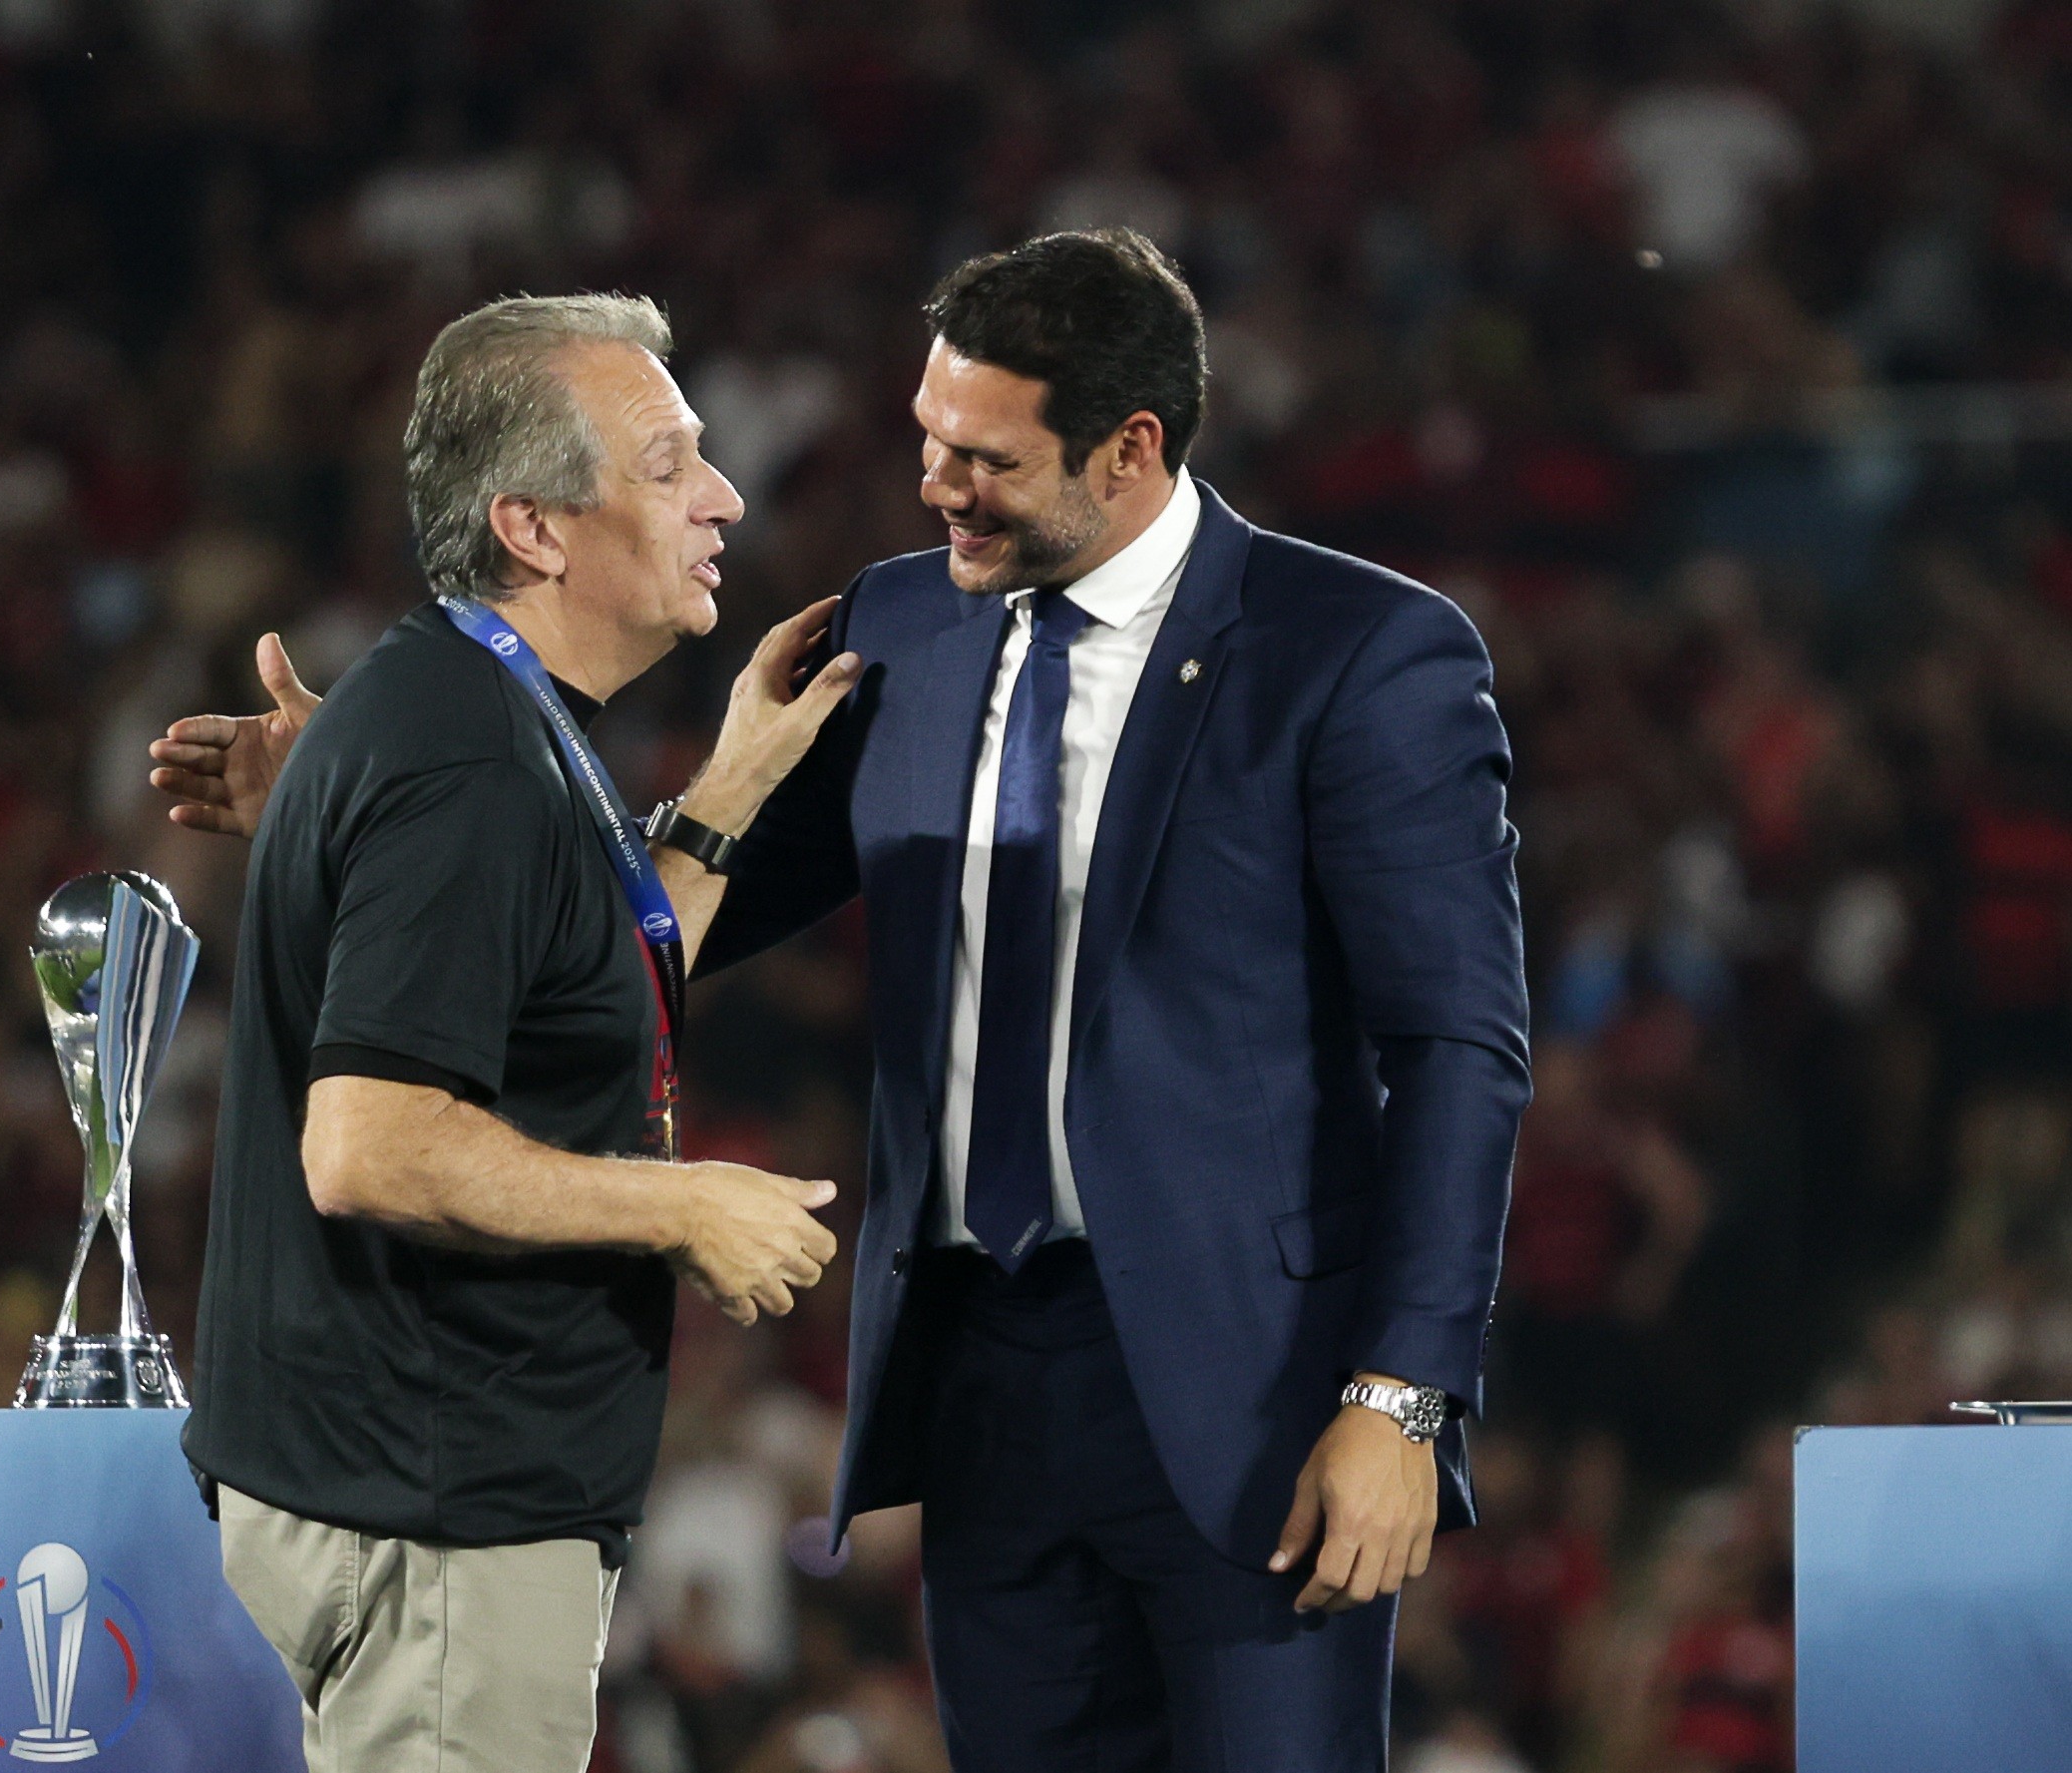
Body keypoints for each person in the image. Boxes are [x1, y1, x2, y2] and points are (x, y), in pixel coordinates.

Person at [158, 232, 1529, 1771]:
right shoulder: (902, 625)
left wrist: (1402, 1394)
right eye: (926, 440)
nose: (935, 484)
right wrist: (377, 785)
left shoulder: (1353, 652)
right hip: (982, 1386)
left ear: (1129, 449)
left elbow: (1457, 1048)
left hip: (1252, 1396)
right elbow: (638, 926)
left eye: (983, 456)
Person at [175, 292, 861, 1773]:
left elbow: (589, 972)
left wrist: (731, 789)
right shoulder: (471, 759)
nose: (723, 494)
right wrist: (681, 1203)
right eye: (670, 463)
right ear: (535, 527)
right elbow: (367, 1146)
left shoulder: (470, 708)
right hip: (431, 1528)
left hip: (402, 1500)